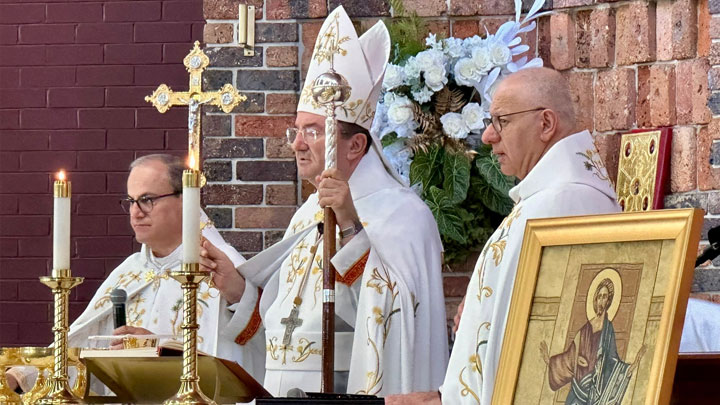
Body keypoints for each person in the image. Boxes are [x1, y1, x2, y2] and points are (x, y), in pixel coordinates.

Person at [201, 5, 448, 397]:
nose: (297, 144)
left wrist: (349, 226)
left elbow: (393, 321)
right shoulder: (306, 215)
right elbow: (282, 323)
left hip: (349, 389)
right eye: (296, 131)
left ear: (356, 146)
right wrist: (235, 287)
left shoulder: (404, 215)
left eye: (313, 131)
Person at [386, 67, 622, 404]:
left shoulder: (557, 205)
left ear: (546, 124)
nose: (487, 136)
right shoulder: (555, 198)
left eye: (502, 121)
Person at [6, 154, 252, 393]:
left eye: (147, 199)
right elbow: (82, 342)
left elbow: (251, 343)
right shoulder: (129, 271)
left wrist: (159, 349)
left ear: (185, 199)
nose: (136, 212)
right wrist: (23, 376)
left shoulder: (221, 266)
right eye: (131, 201)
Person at [540, 277, 646, 404]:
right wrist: (549, 361)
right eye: (599, 296)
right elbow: (570, 357)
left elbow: (612, 360)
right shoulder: (585, 328)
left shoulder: (608, 330)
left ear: (608, 301)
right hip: (577, 392)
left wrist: (631, 367)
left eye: (604, 297)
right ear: (595, 299)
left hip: (594, 395)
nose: (601, 300)